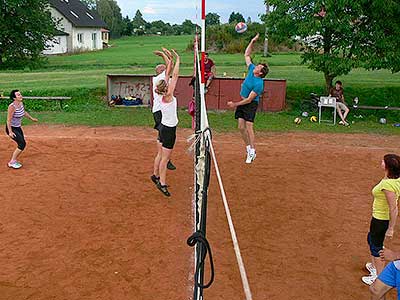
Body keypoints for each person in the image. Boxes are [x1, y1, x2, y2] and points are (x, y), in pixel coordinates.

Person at [227, 33, 269, 164]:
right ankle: (248, 148)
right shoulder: (251, 69)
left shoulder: (259, 84)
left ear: (260, 73)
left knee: (249, 126)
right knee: (240, 127)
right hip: (242, 101)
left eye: (259, 67)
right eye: (257, 65)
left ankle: (253, 150)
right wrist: (252, 41)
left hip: (250, 104)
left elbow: (249, 100)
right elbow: (246, 55)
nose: (256, 66)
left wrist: (235, 104)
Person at [362, 154, 400, 286]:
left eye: (384, 161)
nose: (381, 162)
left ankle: (378, 277)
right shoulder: (394, 179)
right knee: (371, 239)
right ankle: (374, 267)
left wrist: (391, 228)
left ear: (388, 166)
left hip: (381, 220)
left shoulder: (387, 185)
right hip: (379, 218)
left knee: (376, 247)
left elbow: (393, 208)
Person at [151, 49, 180, 197]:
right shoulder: (168, 96)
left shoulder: (162, 92)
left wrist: (169, 57)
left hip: (163, 126)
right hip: (168, 129)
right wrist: (175, 58)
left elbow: (170, 72)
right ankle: (162, 183)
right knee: (164, 157)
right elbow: (172, 71)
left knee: (160, 153)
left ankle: (155, 175)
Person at [152, 49, 176, 171]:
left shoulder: (162, 80)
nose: (165, 70)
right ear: (159, 72)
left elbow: (169, 66)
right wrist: (163, 55)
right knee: (164, 134)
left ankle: (164, 157)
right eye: (162, 69)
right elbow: (169, 66)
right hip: (160, 111)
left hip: (160, 110)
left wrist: (165, 55)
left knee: (162, 135)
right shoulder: (159, 79)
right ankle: (164, 159)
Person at [6, 89, 38, 169]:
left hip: (17, 127)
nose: (21, 96)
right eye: (18, 95)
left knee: (22, 143)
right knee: (22, 144)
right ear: (14, 98)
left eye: (20, 94)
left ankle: (13, 160)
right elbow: (8, 120)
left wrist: (31, 118)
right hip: (11, 128)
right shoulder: (12, 107)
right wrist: (10, 132)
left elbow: (23, 112)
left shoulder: (20, 103)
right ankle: (12, 162)